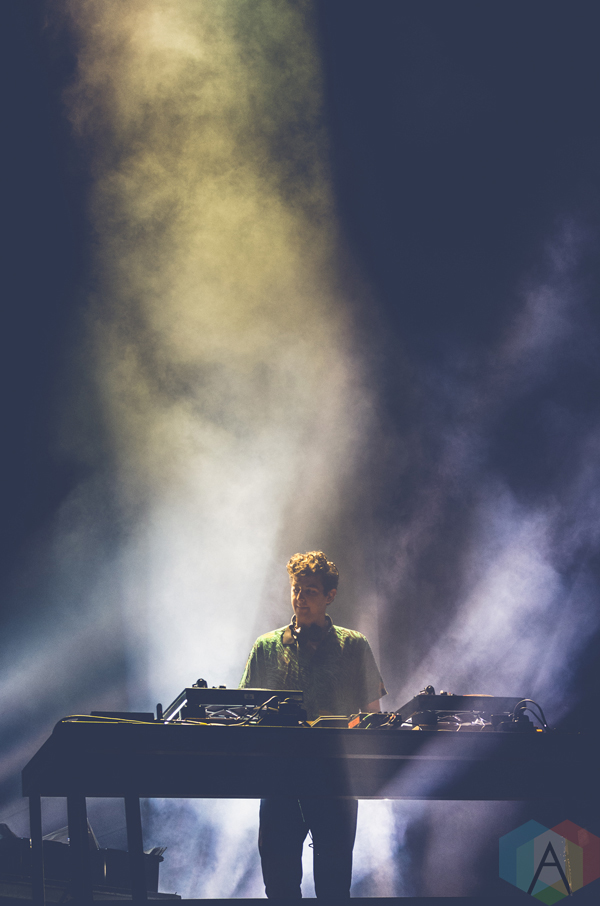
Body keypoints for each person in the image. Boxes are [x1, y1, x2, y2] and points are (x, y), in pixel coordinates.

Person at [239, 550, 386, 900]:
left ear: (330, 596)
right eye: (296, 589)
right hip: (279, 782)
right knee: (279, 887)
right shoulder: (267, 647)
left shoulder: (354, 645)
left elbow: (373, 716)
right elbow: (243, 714)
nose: (300, 598)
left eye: (310, 591)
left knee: (334, 889)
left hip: (336, 781)